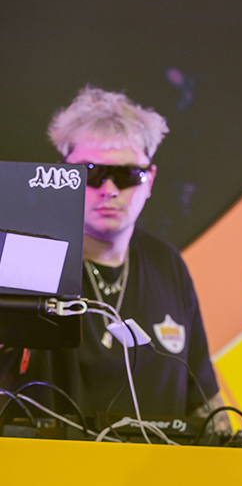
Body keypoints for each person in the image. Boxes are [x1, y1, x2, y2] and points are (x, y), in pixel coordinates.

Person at [0, 86, 229, 434]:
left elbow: (203, 399)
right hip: (48, 460)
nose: (108, 190)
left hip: (155, 462)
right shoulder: (25, 256)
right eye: (91, 173)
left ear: (149, 180)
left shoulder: (167, 263)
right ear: (63, 176)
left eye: (126, 176)